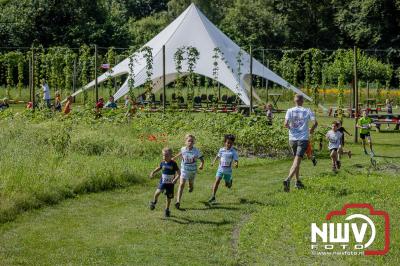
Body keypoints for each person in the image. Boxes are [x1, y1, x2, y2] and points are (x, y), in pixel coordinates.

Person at [283, 94, 318, 192]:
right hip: (303, 139)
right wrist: (311, 131)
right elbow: (315, 123)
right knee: (297, 161)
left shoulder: (289, 110)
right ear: (302, 101)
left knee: (296, 160)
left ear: (294, 100)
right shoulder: (307, 110)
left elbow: (285, 124)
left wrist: (293, 129)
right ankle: (288, 179)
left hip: (292, 139)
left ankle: (297, 182)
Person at [174, 134, 204, 209]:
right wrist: (174, 158)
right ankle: (178, 201)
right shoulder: (183, 149)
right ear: (185, 142)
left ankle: (191, 186)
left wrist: (201, 165)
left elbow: (202, 160)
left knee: (190, 185)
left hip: (192, 171)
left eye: (192, 141)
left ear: (194, 143)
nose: (190, 142)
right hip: (184, 169)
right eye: (189, 141)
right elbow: (181, 153)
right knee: (181, 184)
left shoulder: (196, 151)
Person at [149, 147, 180, 218]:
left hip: (170, 184)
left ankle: (167, 210)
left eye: (166, 155)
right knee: (157, 192)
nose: (164, 157)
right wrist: (153, 172)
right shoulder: (162, 162)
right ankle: (154, 202)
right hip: (162, 182)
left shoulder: (173, 164)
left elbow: (179, 173)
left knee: (168, 198)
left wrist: (176, 179)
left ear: (171, 156)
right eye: (163, 155)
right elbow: (159, 167)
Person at [208, 134, 239, 203]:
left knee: (227, 185)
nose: (229, 144)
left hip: (228, 171)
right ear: (225, 142)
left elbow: (236, 160)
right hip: (220, 169)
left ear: (232, 143)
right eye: (228, 142)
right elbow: (218, 156)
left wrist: (236, 164)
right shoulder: (221, 150)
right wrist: (213, 162)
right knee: (217, 181)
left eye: (231, 143)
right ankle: (213, 196)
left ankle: (229, 182)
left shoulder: (233, 152)